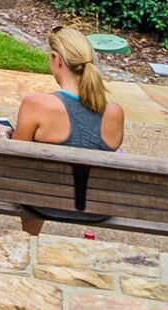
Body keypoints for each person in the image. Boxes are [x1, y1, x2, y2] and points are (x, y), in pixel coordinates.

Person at [7, 28, 129, 230]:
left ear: (58, 60)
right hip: (95, 208)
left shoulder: (36, 104)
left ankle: (31, 237)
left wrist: (3, 134)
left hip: (41, 204)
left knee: (33, 178)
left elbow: (15, 160)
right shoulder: (115, 113)